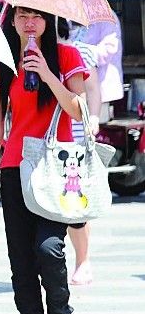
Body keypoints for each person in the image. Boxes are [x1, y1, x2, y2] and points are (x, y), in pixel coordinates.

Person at [0, 6, 89, 314]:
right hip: (14, 168)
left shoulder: (67, 55)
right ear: (11, 20)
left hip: (57, 167)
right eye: (22, 16)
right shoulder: (5, 63)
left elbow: (77, 110)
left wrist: (47, 73)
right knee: (21, 258)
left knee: (50, 248)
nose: (29, 23)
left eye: (37, 17)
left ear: (48, 21)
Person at [59, 18, 102, 287]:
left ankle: (83, 260)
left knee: (75, 204)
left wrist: (93, 119)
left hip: (75, 139)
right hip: (44, 138)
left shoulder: (80, 51)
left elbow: (93, 88)